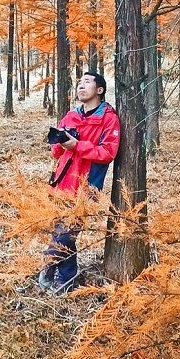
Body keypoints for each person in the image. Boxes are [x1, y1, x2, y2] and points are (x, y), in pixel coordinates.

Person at [39, 71, 121, 293]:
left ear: (100, 90)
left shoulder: (108, 118)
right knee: (62, 234)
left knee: (66, 234)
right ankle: (67, 280)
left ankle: (47, 267)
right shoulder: (71, 115)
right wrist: (59, 141)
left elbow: (108, 153)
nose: (81, 86)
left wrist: (78, 145)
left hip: (86, 186)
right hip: (61, 183)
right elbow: (56, 153)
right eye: (79, 83)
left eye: (87, 82)